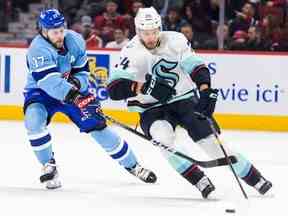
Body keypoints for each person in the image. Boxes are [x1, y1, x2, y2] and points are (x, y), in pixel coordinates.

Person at [107, 7, 272, 198]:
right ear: (138, 31)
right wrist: (144, 87)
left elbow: (196, 66)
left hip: (184, 99)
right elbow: (114, 88)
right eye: (145, 33)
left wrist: (205, 90)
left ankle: (254, 178)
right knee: (163, 140)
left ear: (160, 28)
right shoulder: (130, 51)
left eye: (154, 32)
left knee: (212, 144)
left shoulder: (176, 40)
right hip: (151, 108)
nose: (151, 37)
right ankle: (198, 179)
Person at [24, 9, 157, 189]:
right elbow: (49, 82)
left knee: (99, 128)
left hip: (71, 90)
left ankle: (134, 166)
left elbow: (84, 73)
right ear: (44, 31)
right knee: (33, 121)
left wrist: (79, 86)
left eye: (61, 30)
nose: (60, 35)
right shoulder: (37, 49)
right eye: (55, 32)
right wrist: (74, 95)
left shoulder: (75, 40)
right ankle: (49, 165)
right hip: (42, 92)